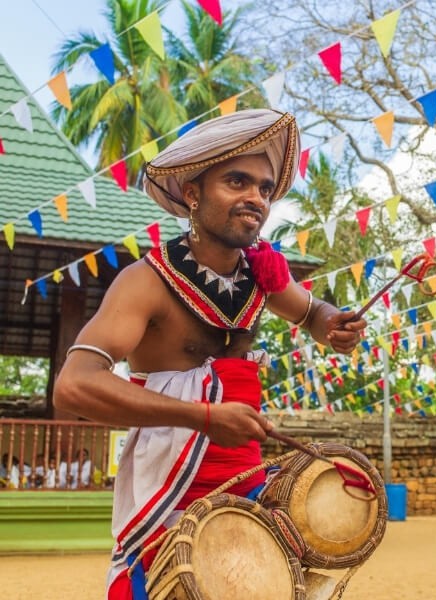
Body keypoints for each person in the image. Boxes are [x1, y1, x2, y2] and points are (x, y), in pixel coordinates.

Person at [53, 109, 367, 599]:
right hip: (171, 482)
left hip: (245, 474)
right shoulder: (146, 281)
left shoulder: (264, 275)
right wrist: (203, 417)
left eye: (265, 188)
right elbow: (75, 384)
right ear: (193, 194)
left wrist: (334, 326)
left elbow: (312, 314)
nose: (256, 198)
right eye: (237, 181)